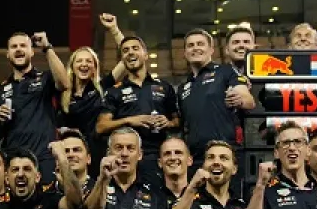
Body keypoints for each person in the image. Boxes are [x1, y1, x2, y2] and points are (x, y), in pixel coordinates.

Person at [96, 35, 178, 181]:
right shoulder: (114, 91)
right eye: (125, 50)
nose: (130, 52)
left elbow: (178, 121)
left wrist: (169, 123)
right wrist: (130, 120)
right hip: (125, 159)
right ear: (122, 59)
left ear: (145, 55)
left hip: (157, 157)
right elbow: (101, 127)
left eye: (135, 48)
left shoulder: (164, 87)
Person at [0, 31, 71, 173]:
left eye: (23, 45)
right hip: (14, 161)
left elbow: (64, 83)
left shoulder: (45, 79)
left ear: (32, 52)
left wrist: (47, 47)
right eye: (14, 46)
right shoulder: (0, 90)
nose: (18, 49)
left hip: (44, 157)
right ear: (8, 54)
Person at [178, 29, 254, 164]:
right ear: (184, 53)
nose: (195, 48)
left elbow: (249, 101)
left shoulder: (225, 71)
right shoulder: (183, 87)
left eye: (200, 44)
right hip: (195, 159)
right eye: (190, 45)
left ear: (211, 50)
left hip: (225, 155)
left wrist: (239, 99)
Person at [61, 48, 109, 161]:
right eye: (79, 61)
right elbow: (56, 124)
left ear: (95, 67)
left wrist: (114, 30)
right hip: (73, 153)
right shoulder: (62, 92)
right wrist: (67, 130)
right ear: (72, 67)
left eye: (88, 61)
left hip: (98, 151)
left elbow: (125, 59)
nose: (84, 64)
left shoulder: (102, 87)